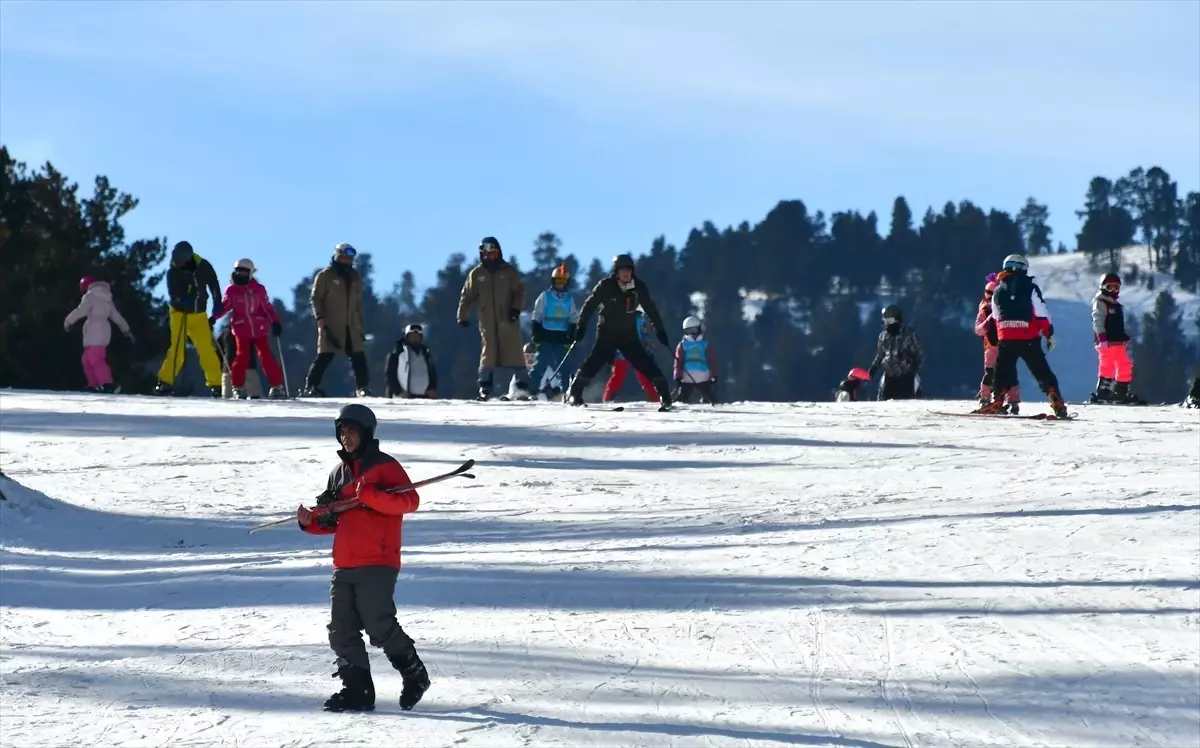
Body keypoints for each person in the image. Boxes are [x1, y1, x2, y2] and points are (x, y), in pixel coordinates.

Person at [297, 404, 430, 712]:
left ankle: (414, 673)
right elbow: (331, 519)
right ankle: (356, 690)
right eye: (341, 432)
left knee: (378, 624)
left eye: (352, 431)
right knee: (341, 628)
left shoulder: (385, 467)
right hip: (344, 563)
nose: (346, 438)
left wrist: (370, 495)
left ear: (366, 432)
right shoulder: (338, 473)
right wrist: (309, 521)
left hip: (378, 560)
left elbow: (409, 501)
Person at [567, 253, 673, 410]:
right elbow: (589, 306)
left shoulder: (638, 287)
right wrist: (581, 326)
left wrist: (660, 330)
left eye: (629, 271)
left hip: (627, 334)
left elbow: (651, 309)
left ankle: (665, 396)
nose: (626, 274)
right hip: (606, 333)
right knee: (594, 362)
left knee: (644, 363)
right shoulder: (605, 285)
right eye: (623, 271)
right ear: (616, 272)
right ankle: (575, 394)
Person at [976, 254, 1068, 417]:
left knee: (1002, 371)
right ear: (1023, 269)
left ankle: (997, 400)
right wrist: (1049, 333)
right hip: (1028, 337)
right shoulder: (1031, 287)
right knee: (1041, 371)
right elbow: (1041, 313)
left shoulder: (998, 289)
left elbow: (996, 316)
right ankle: (1055, 397)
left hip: (1006, 337)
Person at [456, 237, 529, 401]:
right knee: (488, 353)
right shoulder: (477, 274)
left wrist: (516, 309)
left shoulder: (508, 272)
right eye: (486, 255)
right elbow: (467, 296)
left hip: (508, 320)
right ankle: (485, 386)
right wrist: (462, 315)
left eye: (493, 254)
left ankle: (522, 386)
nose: (489, 258)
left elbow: (519, 292)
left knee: (514, 351)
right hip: (487, 321)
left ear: (499, 253)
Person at [156, 241, 224, 396]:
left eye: (180, 260)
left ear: (188, 257)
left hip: (199, 314)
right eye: (175, 259)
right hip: (179, 314)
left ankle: (216, 384)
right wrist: (181, 301)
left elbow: (213, 283)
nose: (177, 263)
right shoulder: (172, 272)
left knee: (206, 349)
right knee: (177, 349)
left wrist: (217, 301)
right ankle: (165, 382)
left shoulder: (203, 265)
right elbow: (174, 295)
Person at [213, 258, 287, 399]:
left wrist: (275, 322)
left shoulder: (258, 289)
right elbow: (225, 306)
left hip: (259, 328)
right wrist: (214, 317)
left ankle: (277, 386)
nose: (241, 275)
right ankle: (238, 387)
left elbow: (267, 308)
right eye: (238, 271)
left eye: (244, 272)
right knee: (242, 356)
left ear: (251, 273)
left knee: (265, 356)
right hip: (242, 328)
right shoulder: (232, 290)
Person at [305, 243, 371, 397]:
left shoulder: (355, 276)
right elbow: (315, 298)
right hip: (332, 323)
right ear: (337, 256)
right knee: (324, 356)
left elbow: (358, 302)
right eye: (344, 257)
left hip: (352, 325)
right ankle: (310, 386)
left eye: (350, 258)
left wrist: (360, 324)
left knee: (358, 357)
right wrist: (320, 317)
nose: (347, 260)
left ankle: (362, 387)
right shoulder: (325, 275)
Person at [64, 275, 134, 393]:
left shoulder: (90, 296)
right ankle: (94, 384)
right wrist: (126, 330)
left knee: (94, 358)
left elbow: (81, 310)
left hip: (94, 329)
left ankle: (108, 383)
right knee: (86, 359)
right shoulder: (107, 298)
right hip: (103, 330)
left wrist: (68, 321)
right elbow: (117, 316)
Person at [1089, 272, 1144, 404]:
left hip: (1117, 343)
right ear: (1103, 287)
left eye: (1116, 287)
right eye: (1110, 287)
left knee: (1125, 365)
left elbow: (1116, 326)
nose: (1113, 290)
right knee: (1107, 365)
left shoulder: (1115, 305)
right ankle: (1103, 391)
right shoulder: (1101, 302)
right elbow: (1098, 321)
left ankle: (1121, 391)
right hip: (1106, 342)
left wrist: (1123, 337)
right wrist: (1102, 338)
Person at [528, 263, 579, 398]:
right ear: (553, 282)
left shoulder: (569, 299)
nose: (560, 285)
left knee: (565, 367)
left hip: (561, 337)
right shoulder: (545, 296)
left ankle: (567, 392)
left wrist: (572, 332)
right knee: (540, 364)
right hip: (546, 335)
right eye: (558, 282)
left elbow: (573, 317)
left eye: (563, 282)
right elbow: (537, 314)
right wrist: (536, 331)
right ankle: (531, 389)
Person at [974, 274, 1020, 414]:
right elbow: (978, 329)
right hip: (994, 348)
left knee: (1006, 374)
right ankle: (989, 398)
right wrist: (987, 323)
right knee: (994, 373)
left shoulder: (1002, 309)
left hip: (1001, 346)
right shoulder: (986, 311)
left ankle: (1008, 401)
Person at [867, 304, 923, 400]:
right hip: (889, 376)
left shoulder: (909, 334)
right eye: (885, 321)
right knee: (885, 402)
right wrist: (873, 368)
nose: (887, 324)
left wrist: (913, 367)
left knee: (908, 402)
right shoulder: (883, 336)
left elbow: (918, 355)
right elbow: (880, 354)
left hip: (906, 377)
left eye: (889, 321)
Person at [602, 311, 659, 403]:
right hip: (622, 349)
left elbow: (644, 334)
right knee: (619, 374)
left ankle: (655, 400)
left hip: (636, 349)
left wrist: (649, 348)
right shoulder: (621, 316)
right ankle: (607, 398)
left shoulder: (640, 318)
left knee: (644, 375)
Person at [672, 316, 719, 404]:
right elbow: (678, 361)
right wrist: (677, 376)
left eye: (694, 331)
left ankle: (712, 405)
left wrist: (714, 374)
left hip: (701, 375)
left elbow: (711, 361)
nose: (692, 334)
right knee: (685, 395)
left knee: (707, 395)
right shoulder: (684, 345)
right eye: (689, 331)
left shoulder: (704, 344)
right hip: (690, 375)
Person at [385, 324, 437, 399]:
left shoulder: (426, 354)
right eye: (412, 336)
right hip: (404, 397)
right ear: (406, 337)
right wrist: (398, 391)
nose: (415, 339)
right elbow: (390, 376)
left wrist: (432, 388)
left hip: (425, 397)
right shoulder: (397, 355)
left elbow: (432, 374)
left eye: (417, 336)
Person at [217, 319, 263, 399]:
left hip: (228, 366)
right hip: (248, 366)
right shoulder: (249, 331)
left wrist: (221, 366)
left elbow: (218, 350)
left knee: (227, 397)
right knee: (255, 395)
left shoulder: (224, 333)